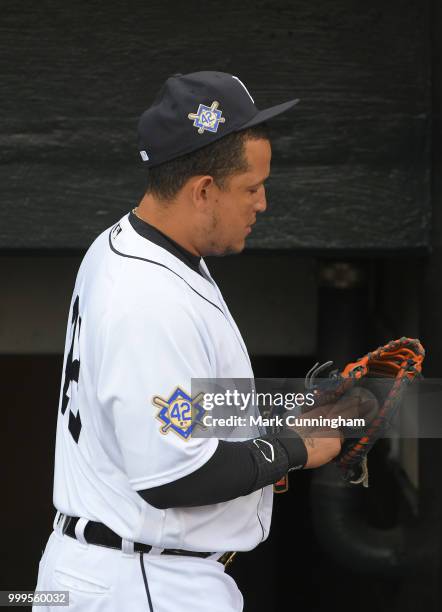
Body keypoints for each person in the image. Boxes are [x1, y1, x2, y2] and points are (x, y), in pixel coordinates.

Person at [33, 71, 360, 612]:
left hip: (120, 570)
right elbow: (173, 476)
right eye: (252, 188)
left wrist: (276, 420)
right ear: (203, 189)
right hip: (142, 581)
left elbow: (176, 411)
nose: (263, 203)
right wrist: (297, 448)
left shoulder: (133, 246)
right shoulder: (146, 298)